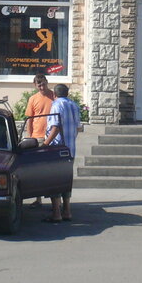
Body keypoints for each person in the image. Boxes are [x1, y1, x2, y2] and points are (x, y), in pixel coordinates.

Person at [41, 83, 80, 223]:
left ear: (54, 94)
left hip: (57, 149)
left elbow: (55, 127)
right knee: (66, 179)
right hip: (70, 148)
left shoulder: (56, 105)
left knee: (55, 180)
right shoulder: (74, 105)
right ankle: (67, 211)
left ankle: (56, 213)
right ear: (67, 93)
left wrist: (45, 144)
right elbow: (78, 127)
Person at [23, 73, 56, 207]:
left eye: (43, 84)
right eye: (39, 85)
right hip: (37, 137)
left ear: (47, 82)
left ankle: (56, 202)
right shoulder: (33, 99)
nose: (42, 87)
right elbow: (29, 120)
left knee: (52, 169)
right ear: (35, 85)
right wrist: (30, 137)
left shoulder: (54, 96)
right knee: (37, 169)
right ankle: (38, 199)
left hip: (52, 137)